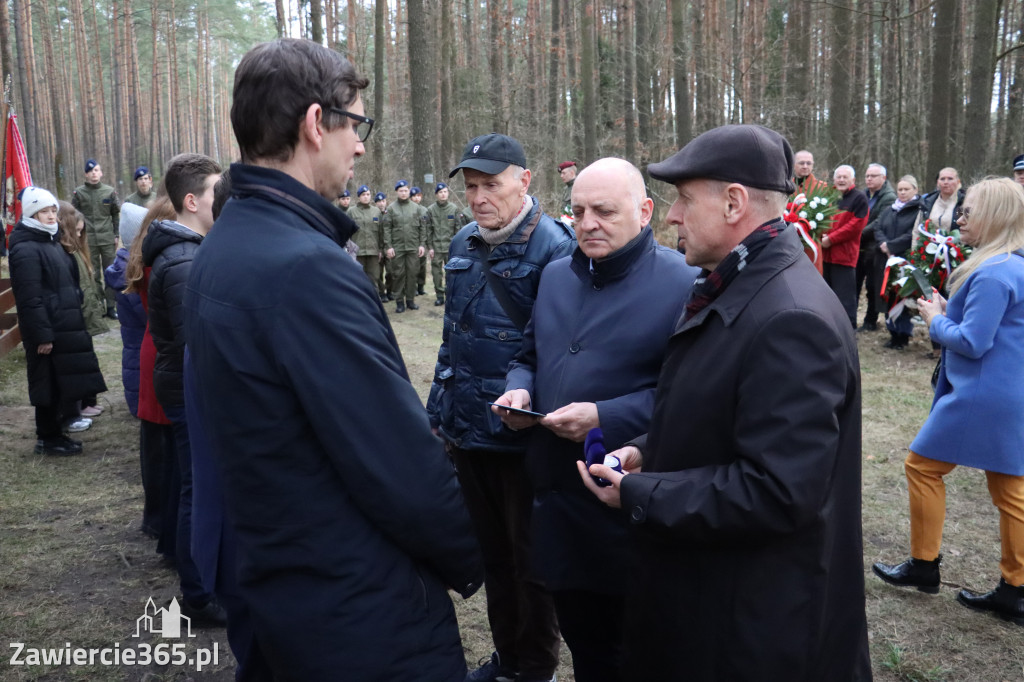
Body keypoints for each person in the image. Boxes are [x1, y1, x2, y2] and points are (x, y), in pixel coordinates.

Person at [183, 38, 481, 680]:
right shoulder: (308, 269)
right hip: (355, 604)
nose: (362, 146)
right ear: (317, 124)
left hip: (280, 580)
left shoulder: (226, 244)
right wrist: (474, 553)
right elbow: (395, 460)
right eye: (358, 124)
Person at [578, 125, 871, 681]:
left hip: (752, 628)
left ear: (734, 202)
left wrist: (642, 492)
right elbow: (727, 417)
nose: (672, 216)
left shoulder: (790, 318)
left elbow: (778, 491)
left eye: (685, 199)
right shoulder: (738, 284)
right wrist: (649, 450)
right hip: (717, 600)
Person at [494, 158, 699, 682]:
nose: (587, 224)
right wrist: (519, 387)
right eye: (578, 210)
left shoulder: (685, 284)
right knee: (586, 650)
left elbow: (691, 398)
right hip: (555, 501)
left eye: (604, 212)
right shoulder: (557, 274)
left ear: (645, 212)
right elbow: (530, 354)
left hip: (629, 508)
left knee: (634, 654)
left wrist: (604, 416)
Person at [426, 133, 575, 682]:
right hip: (469, 432)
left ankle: (533, 667)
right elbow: (452, 340)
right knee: (493, 558)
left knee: (530, 563)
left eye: (491, 185)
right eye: (470, 187)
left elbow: (563, 351)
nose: (479, 198)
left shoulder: (558, 247)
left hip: (523, 440)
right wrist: (438, 414)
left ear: (524, 181)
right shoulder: (463, 241)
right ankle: (509, 658)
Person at [872, 177, 1024, 627]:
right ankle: (1014, 590)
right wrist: (948, 308)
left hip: (980, 395)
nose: (961, 218)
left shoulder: (993, 273)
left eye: (969, 212)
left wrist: (936, 320)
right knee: (1010, 490)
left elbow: (974, 343)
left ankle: (924, 565)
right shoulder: (1013, 266)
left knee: (922, 467)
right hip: (1008, 394)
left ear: (995, 218)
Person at [142, 152, 226, 628]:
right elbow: (198, 341)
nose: (224, 202)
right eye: (217, 193)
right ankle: (198, 593)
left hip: (182, 385)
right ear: (192, 201)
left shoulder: (187, 253)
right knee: (197, 486)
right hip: (188, 389)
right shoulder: (182, 260)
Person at [8, 187, 106, 456]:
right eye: (44, 211)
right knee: (47, 383)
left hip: (62, 324)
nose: (52, 215)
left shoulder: (50, 241)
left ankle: (58, 432)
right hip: (47, 330)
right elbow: (30, 298)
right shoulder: (26, 248)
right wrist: (42, 335)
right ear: (31, 213)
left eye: (53, 210)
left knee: (61, 380)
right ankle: (47, 437)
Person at [124, 197, 178, 544]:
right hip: (161, 350)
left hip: (153, 349)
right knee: (163, 445)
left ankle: (157, 517)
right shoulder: (160, 263)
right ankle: (161, 520)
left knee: (157, 443)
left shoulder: (147, 258)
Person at [874, 175, 922, 349]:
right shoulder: (890, 209)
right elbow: (878, 227)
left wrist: (892, 245)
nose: (902, 193)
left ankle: (903, 335)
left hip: (905, 259)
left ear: (915, 190)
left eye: (906, 189)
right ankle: (892, 332)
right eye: (900, 189)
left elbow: (913, 234)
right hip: (887, 259)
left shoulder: (918, 210)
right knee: (889, 295)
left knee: (903, 297)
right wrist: (884, 245)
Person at [822, 165, 869, 328]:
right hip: (825, 255)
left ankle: (848, 329)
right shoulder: (829, 196)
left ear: (853, 180)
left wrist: (831, 239)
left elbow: (855, 226)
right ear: (834, 179)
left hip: (844, 256)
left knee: (845, 298)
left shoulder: (859, 198)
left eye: (845, 177)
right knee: (825, 294)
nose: (841, 180)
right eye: (839, 177)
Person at [72, 159, 120, 319]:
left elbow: (115, 214)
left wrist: (116, 234)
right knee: (93, 274)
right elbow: (74, 215)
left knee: (110, 272)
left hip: (107, 238)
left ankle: (111, 306)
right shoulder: (79, 193)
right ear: (86, 174)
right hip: (88, 240)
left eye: (97, 170)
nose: (94, 173)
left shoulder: (109, 192)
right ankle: (98, 305)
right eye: (91, 171)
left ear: (101, 173)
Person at [57, 201, 109, 337]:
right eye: (77, 230)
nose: (79, 235)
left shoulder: (77, 251)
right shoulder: (63, 253)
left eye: (81, 230)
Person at [857, 163, 896, 331]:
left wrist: (856, 233)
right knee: (857, 284)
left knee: (873, 286)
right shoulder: (863, 194)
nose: (869, 179)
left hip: (876, 247)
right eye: (867, 176)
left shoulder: (889, 197)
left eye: (873, 176)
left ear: (883, 178)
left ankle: (870, 321)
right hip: (859, 246)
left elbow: (879, 222)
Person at [382, 179, 427, 312]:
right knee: (398, 274)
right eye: (401, 191)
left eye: (406, 191)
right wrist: (388, 246)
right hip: (398, 248)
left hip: (413, 247)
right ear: (397, 192)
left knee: (412, 274)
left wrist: (422, 245)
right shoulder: (391, 209)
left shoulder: (416, 208)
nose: (403, 193)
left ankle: (410, 300)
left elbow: (422, 228)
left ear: (409, 191)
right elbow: (386, 229)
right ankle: (399, 302)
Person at [424, 182, 459, 306]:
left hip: (450, 247)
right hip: (436, 248)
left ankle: (450, 295)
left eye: (445, 192)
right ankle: (439, 296)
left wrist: (457, 247)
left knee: (452, 273)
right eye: (440, 192)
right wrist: (430, 247)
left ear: (448, 193)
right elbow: (428, 230)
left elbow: (458, 230)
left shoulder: (454, 209)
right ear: (436, 195)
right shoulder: (430, 210)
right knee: (436, 273)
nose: (443, 194)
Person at [350, 184, 385, 300]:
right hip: (357, 252)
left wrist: (380, 249)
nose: (366, 197)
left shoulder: (376, 212)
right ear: (359, 197)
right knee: (358, 279)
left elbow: (381, 232)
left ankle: (375, 303)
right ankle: (359, 303)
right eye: (363, 195)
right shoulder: (351, 212)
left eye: (368, 195)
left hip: (373, 251)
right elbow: (347, 233)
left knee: (374, 278)